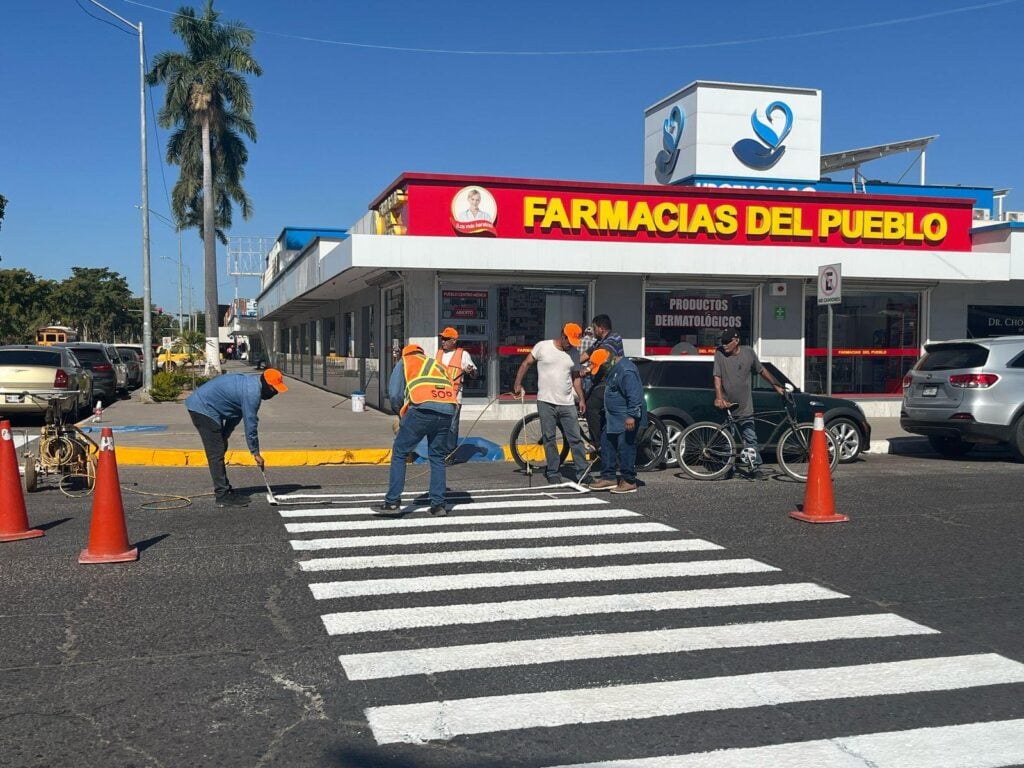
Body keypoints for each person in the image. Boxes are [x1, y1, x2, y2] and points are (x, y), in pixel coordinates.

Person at [185, 369, 288, 507]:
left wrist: (225, 436)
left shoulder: (252, 384)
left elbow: (236, 415)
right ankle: (222, 495)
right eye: (274, 390)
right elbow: (250, 425)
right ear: (266, 385)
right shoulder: (252, 394)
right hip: (203, 408)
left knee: (220, 447)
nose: (274, 394)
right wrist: (255, 452)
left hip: (208, 407)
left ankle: (225, 489)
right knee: (216, 453)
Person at [380, 343, 456, 516]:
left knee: (400, 451)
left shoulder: (405, 362)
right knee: (437, 457)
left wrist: (401, 415)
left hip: (422, 409)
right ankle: (438, 505)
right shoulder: (436, 364)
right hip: (447, 411)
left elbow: (395, 394)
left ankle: (392, 502)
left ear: (404, 354)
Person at [512, 322, 588, 485]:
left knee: (575, 438)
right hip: (546, 401)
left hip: (567, 403)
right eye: (569, 341)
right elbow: (526, 363)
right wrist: (517, 383)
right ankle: (553, 472)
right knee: (549, 438)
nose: (571, 345)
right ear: (563, 335)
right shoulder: (543, 347)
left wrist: (581, 398)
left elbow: (575, 377)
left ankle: (583, 472)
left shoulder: (574, 353)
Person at [713, 329, 785, 478]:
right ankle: (728, 469)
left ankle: (755, 468)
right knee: (728, 438)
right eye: (723, 342)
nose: (724, 345)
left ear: (736, 340)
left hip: (745, 405)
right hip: (727, 404)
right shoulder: (719, 353)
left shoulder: (748, 353)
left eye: (727, 342)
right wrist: (719, 397)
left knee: (750, 438)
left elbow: (762, 370)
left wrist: (775, 384)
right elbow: (717, 377)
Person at [589, 343, 647, 493]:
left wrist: (631, 416)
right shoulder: (613, 369)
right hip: (613, 418)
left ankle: (629, 480)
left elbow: (635, 396)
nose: (601, 370)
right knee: (606, 443)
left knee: (625, 448)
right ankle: (608, 477)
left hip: (625, 418)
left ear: (609, 359)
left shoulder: (626, 370)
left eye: (602, 366)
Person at [435, 326, 478, 462]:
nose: (443, 341)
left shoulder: (463, 354)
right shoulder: (438, 354)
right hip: (439, 394)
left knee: (452, 426)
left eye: (446, 339)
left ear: (454, 341)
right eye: (442, 338)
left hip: (454, 395)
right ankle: (439, 451)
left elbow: (474, 374)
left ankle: (449, 454)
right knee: (439, 424)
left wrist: (469, 370)